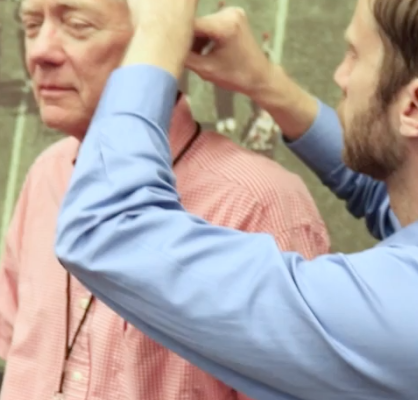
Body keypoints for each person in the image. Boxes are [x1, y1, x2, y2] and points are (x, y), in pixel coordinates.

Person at [54, 0, 418, 399]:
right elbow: (397, 193)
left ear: (415, 106)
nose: (339, 75)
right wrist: (267, 84)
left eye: (353, 55)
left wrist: (157, 35)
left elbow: (108, 229)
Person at [0, 0, 330, 399]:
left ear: (159, 41)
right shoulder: (45, 175)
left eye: (77, 24)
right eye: (32, 25)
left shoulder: (259, 203)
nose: (39, 52)